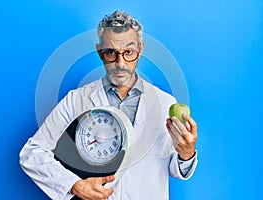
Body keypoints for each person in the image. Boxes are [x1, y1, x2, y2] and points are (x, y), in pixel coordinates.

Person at [19, 10, 198, 200]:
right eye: (111, 52)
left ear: (140, 49)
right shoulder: (76, 100)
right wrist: (73, 185)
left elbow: (175, 168)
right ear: (100, 52)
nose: (120, 63)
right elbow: (32, 153)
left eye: (128, 52)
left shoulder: (165, 103)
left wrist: (186, 154)